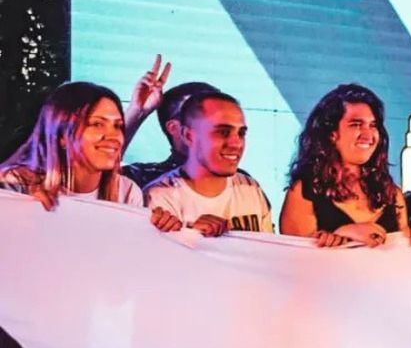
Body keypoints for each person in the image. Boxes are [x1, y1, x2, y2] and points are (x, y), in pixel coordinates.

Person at [0, 82, 166, 224]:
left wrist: (162, 231)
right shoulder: (17, 183)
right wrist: (19, 211)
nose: (113, 136)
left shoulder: (126, 191)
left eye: (117, 125)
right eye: (97, 124)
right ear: (61, 136)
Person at [280, 84, 411, 248]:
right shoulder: (304, 193)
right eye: (356, 124)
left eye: (373, 125)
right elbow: (294, 262)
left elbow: (402, 259)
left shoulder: (391, 194)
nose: (368, 135)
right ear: (331, 134)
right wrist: (342, 234)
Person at [145, 91, 273, 237]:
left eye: (241, 133)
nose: (236, 143)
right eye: (223, 132)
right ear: (189, 136)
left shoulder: (251, 189)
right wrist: (191, 235)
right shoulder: (160, 197)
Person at [119, 55, 221, 189]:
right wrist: (137, 112)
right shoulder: (142, 177)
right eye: (204, 115)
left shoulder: (241, 182)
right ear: (173, 127)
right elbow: (97, 175)